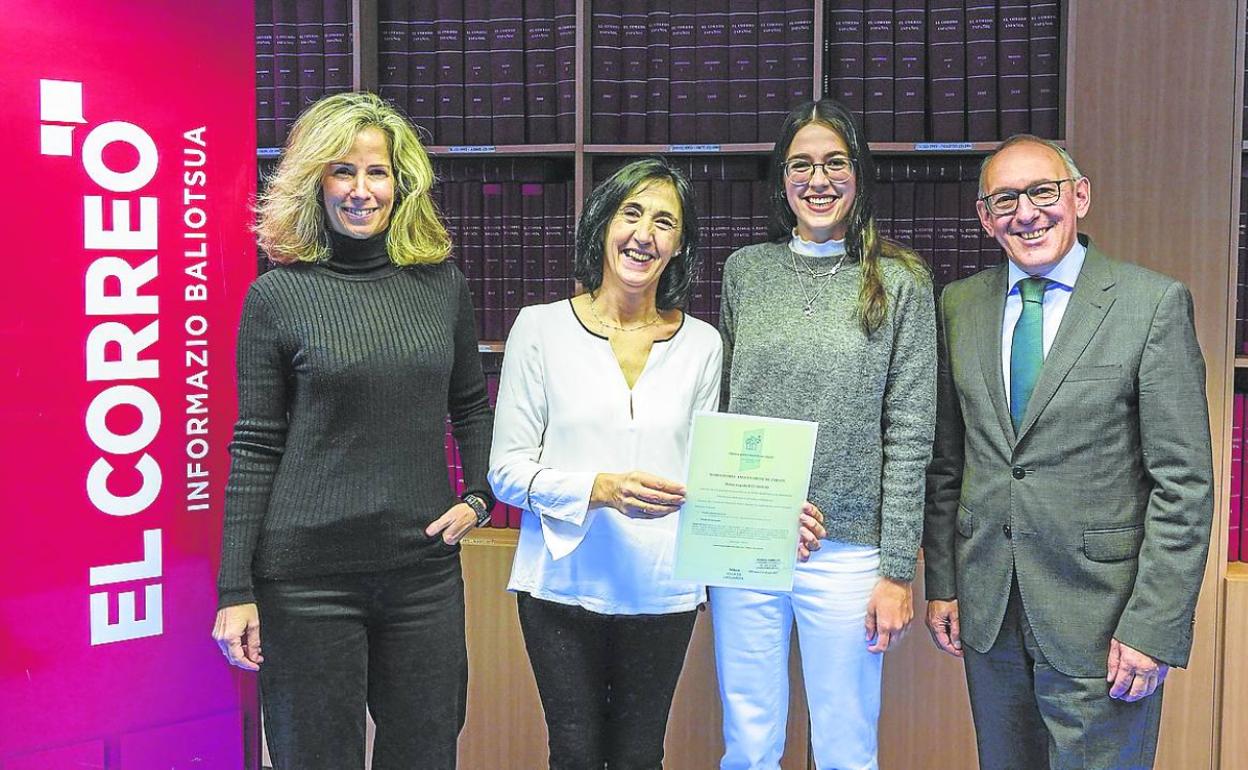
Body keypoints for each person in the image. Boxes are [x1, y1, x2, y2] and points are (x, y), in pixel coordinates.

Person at [488, 157, 826, 770]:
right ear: (603, 225)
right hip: (561, 582)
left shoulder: (702, 343)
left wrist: (774, 512)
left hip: (662, 586)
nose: (644, 234)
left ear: (679, 246)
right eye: (631, 213)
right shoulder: (538, 330)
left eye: (664, 222)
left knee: (642, 753)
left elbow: (710, 473)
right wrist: (599, 487)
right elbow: (507, 471)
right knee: (575, 752)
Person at [211, 91, 494, 770]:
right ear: (315, 182)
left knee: (426, 753)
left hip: (420, 575)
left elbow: (471, 404)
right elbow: (254, 446)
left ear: (402, 184)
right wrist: (234, 590)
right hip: (305, 581)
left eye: (378, 172)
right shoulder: (276, 297)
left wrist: (479, 496)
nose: (361, 191)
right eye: (343, 171)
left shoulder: (441, 285)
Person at [923, 134, 1214, 769]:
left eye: (1043, 192)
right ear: (984, 216)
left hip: (1104, 623)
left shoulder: (1151, 305)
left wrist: (1153, 627)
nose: (1026, 213)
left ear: (1079, 196)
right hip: (990, 614)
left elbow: (1183, 485)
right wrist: (944, 582)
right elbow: (949, 463)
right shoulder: (958, 306)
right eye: (1005, 199)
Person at [712, 99, 936, 769]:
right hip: (747, 541)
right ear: (781, 179)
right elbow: (725, 410)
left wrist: (897, 570)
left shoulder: (901, 283)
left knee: (845, 746)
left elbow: (911, 432)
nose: (818, 179)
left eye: (834, 162)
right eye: (801, 164)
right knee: (749, 743)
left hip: (847, 554)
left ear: (860, 173)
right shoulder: (745, 273)